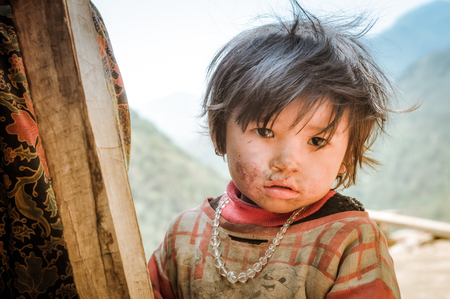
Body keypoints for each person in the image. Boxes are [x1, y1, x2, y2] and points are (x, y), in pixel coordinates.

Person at [148, 1, 401, 298]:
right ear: (220, 134)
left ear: (347, 156)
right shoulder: (184, 234)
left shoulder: (348, 239)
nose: (287, 162)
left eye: (317, 141)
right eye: (266, 131)